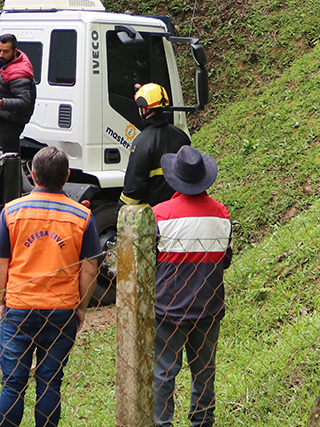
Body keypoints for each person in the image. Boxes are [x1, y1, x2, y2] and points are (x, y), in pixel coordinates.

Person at [0, 146, 101, 427]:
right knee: (50, 381)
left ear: (32, 174)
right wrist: (81, 308)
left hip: (19, 308)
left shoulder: (11, 212)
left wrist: (2, 303)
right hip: (61, 309)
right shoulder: (82, 217)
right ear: (66, 176)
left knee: (13, 383)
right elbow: (90, 267)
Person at [152, 146, 232, 427]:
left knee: (163, 372)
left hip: (168, 309)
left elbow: (148, 263)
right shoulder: (221, 215)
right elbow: (225, 259)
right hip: (208, 308)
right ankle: (202, 420)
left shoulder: (159, 216)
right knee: (204, 371)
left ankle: (162, 423)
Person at [120, 82, 190, 207]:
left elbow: (133, 190)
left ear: (144, 109)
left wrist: (120, 210)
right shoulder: (181, 136)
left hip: (155, 215)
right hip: (179, 212)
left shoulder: (142, 143)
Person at [0, 33, 36, 156]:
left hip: (11, 124)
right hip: (0, 116)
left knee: (11, 162)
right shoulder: (10, 62)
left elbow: (24, 102)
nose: (1, 55)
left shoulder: (19, 73)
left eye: (5, 51)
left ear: (14, 51)